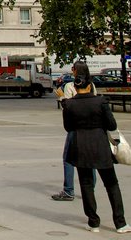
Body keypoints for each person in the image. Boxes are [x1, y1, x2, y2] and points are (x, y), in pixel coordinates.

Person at [63, 71, 131, 234]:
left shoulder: (69, 104)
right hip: (100, 145)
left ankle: (93, 222)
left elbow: (68, 127)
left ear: (74, 87)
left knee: (86, 185)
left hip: (80, 146)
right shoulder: (100, 101)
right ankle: (120, 222)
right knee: (111, 184)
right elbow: (111, 125)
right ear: (90, 86)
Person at [52, 62, 95, 202]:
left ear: (76, 71)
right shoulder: (91, 85)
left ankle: (69, 190)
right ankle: (90, 188)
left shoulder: (70, 86)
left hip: (75, 127)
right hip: (90, 127)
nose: (71, 70)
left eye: (73, 68)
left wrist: (61, 97)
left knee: (68, 159)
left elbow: (69, 108)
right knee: (89, 159)